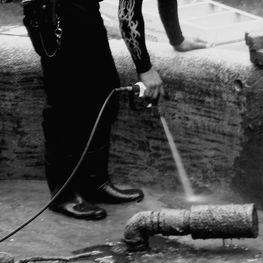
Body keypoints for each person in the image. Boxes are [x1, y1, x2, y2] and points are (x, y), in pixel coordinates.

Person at [23, 0, 209, 220]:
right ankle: (62, 195)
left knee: (104, 87)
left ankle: (95, 183)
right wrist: (145, 68)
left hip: (84, 7)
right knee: (65, 99)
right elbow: (128, 15)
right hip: (53, 8)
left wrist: (177, 40)